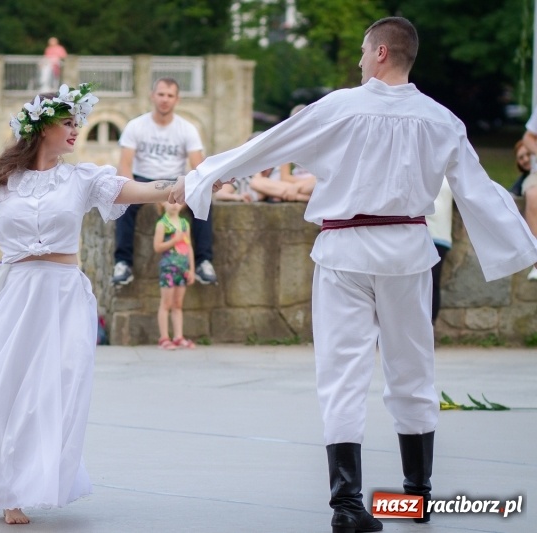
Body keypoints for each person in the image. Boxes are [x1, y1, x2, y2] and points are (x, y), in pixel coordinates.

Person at [174, 17, 537, 532]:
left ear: (383, 52)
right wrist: (524, 246)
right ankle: (418, 496)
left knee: (342, 377)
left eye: (365, 52)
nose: (360, 61)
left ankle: (347, 507)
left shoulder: (342, 105)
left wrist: (202, 177)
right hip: (408, 252)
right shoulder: (441, 120)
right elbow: (478, 190)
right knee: (413, 371)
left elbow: (271, 143)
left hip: (344, 251)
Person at [0, 83, 185, 525]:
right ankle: (8, 492)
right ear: (41, 126)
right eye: (68, 122)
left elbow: (142, 189)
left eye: (76, 122)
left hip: (64, 294)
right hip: (14, 293)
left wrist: (183, 184)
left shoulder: (84, 179)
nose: (75, 129)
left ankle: (39, 478)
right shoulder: (0, 185)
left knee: (54, 392)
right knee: (4, 391)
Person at [112, 77, 218, 286]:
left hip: (174, 180)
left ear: (177, 100)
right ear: (153, 96)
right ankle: (123, 264)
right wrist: (134, 191)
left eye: (170, 95)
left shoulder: (187, 129)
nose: (165, 100)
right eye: (161, 94)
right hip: (142, 179)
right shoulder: (136, 126)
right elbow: (125, 165)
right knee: (123, 204)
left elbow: (198, 166)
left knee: (203, 200)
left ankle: (203, 262)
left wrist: (189, 193)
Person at [154, 201, 196, 349]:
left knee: (178, 304)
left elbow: (188, 246)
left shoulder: (185, 224)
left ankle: (179, 336)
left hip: (182, 268)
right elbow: (157, 247)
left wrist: (191, 269)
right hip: (168, 268)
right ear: (162, 203)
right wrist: (174, 241)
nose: (174, 204)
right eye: (170, 201)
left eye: (177, 201)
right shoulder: (162, 224)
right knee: (166, 304)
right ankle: (164, 337)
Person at [508, 140, 537, 280]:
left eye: (527, 154)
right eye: (521, 157)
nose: (525, 159)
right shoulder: (526, 179)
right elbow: (512, 194)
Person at [427, 178, 453, 323]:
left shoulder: (449, 172)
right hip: (415, 234)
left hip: (439, 236)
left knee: (432, 282)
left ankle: (430, 326)